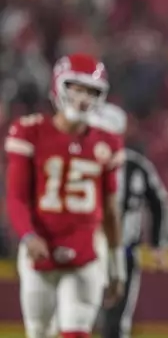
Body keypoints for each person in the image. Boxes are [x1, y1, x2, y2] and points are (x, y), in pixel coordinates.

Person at [4, 53, 127, 338]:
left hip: (85, 249)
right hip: (40, 244)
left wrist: (116, 264)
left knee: (77, 332)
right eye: (77, 88)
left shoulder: (107, 141)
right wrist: (27, 235)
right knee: (39, 332)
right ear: (59, 86)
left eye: (92, 91)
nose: (84, 98)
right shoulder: (30, 130)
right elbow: (16, 197)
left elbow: (110, 209)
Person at [89, 103, 168, 338]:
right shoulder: (80, 162)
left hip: (124, 254)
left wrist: (157, 244)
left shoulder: (136, 167)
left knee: (116, 324)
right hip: (87, 252)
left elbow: (159, 202)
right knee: (80, 316)